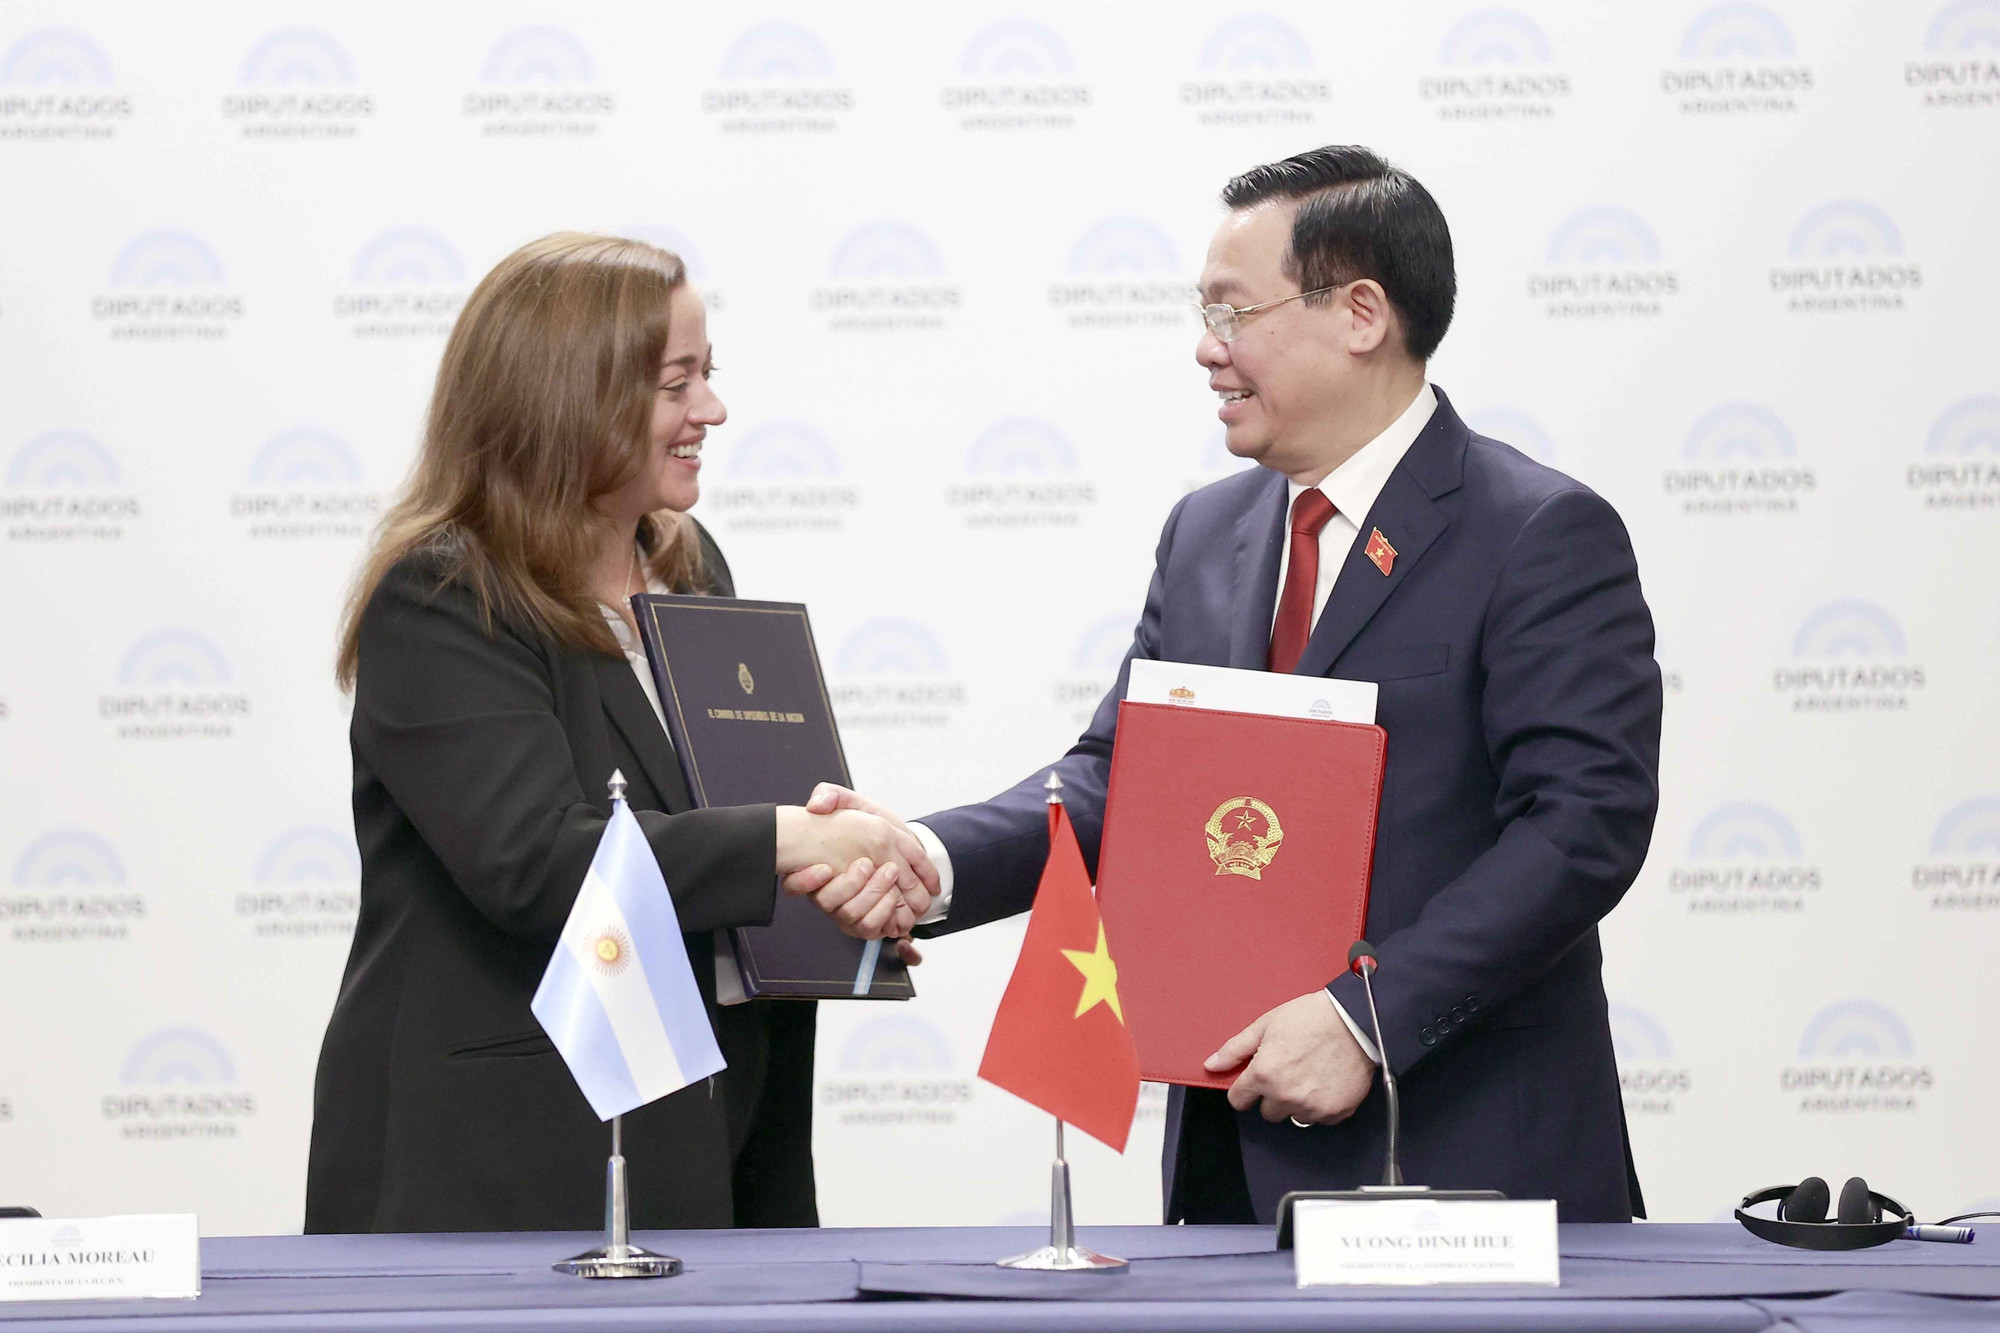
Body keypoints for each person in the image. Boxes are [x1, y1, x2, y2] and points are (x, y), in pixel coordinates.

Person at [794, 146, 1662, 1223]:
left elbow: (1581, 825)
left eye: (1231, 312)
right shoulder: (1208, 533)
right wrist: (923, 858)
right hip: (1227, 1162)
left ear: (1360, 314)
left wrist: (1365, 1021)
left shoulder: (1535, 532)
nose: (1207, 349)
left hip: (1458, 1155)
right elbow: (1122, 776)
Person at [305, 233, 932, 1234]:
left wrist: (845, 897)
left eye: (708, 375)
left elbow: (715, 833)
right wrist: (792, 840)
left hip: (716, 1142)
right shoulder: (444, 596)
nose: (711, 411)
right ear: (568, 397)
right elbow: (537, 862)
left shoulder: (691, 567)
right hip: (500, 1172)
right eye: (677, 384)